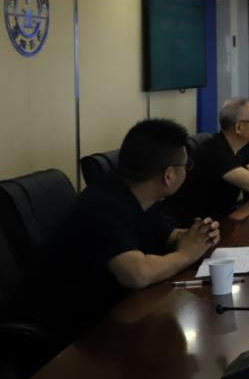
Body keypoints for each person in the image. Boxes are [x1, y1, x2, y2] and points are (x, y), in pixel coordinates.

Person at [26, 119, 221, 345]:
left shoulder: (138, 194)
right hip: (72, 334)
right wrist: (186, 254)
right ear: (168, 175)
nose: (187, 171)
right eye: (186, 166)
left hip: (115, 312)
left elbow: (167, 235)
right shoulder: (103, 206)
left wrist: (199, 236)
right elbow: (137, 274)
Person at [159, 97, 249, 225]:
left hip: (219, 218)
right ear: (239, 127)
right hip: (191, 226)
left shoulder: (239, 148)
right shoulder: (215, 152)